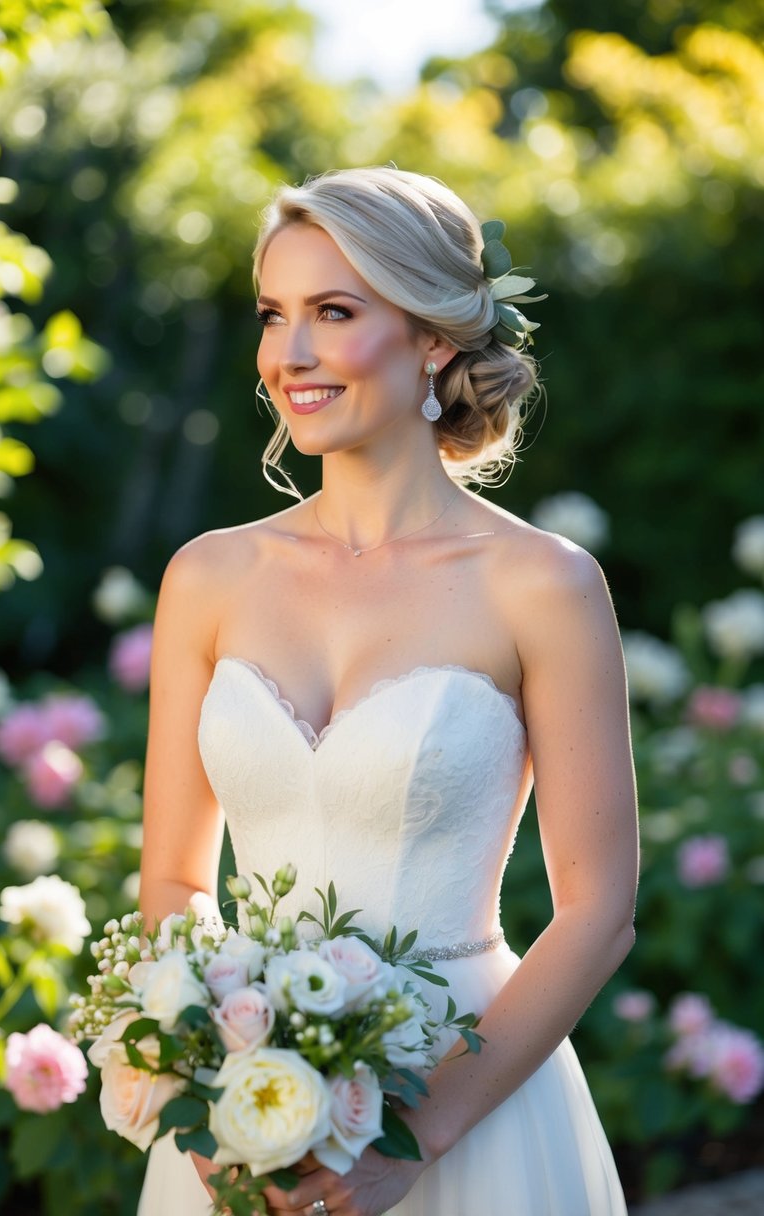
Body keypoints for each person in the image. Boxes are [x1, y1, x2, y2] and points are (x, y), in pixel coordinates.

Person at [137, 166, 638, 1216]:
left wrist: (417, 1135)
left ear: (435, 337)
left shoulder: (540, 586)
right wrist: (206, 1093)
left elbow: (598, 909)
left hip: (469, 1102)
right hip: (243, 1104)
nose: (291, 355)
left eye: (334, 312)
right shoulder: (207, 578)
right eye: (275, 315)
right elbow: (177, 888)